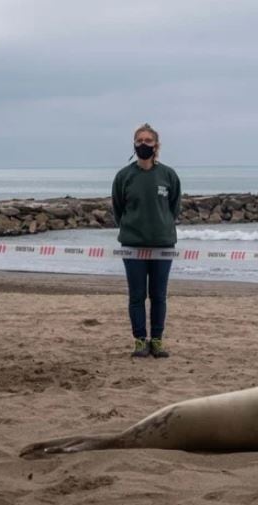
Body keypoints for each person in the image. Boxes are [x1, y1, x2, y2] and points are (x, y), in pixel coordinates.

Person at [112, 123, 181, 358]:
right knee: (137, 295)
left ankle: (158, 341)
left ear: (156, 145)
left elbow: (174, 207)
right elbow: (117, 209)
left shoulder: (168, 175)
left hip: (163, 245)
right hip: (133, 245)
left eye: (148, 141)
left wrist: (162, 227)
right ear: (134, 144)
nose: (143, 144)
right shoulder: (124, 176)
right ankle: (140, 341)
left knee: (159, 295)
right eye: (139, 140)